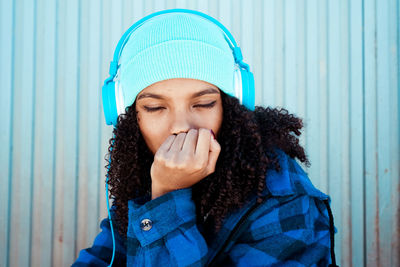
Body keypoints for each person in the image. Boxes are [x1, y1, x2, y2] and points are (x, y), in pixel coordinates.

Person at [72, 9, 337, 267]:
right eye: (155, 107)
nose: (181, 127)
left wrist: (166, 195)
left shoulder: (282, 197)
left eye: (203, 104)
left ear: (231, 108)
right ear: (130, 116)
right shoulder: (145, 173)